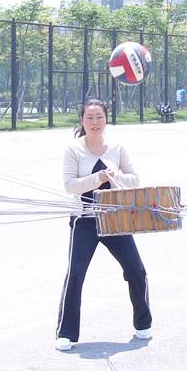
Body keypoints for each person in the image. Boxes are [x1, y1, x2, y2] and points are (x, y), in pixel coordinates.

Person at [55, 98, 153, 351]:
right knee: (75, 274)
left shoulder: (117, 148)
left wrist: (114, 175)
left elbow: (134, 179)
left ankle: (143, 324)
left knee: (136, 270)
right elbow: (70, 186)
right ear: (82, 121)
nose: (95, 122)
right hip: (85, 220)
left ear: (106, 119)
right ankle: (65, 333)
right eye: (90, 118)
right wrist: (96, 178)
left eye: (99, 117)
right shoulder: (73, 150)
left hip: (115, 218)